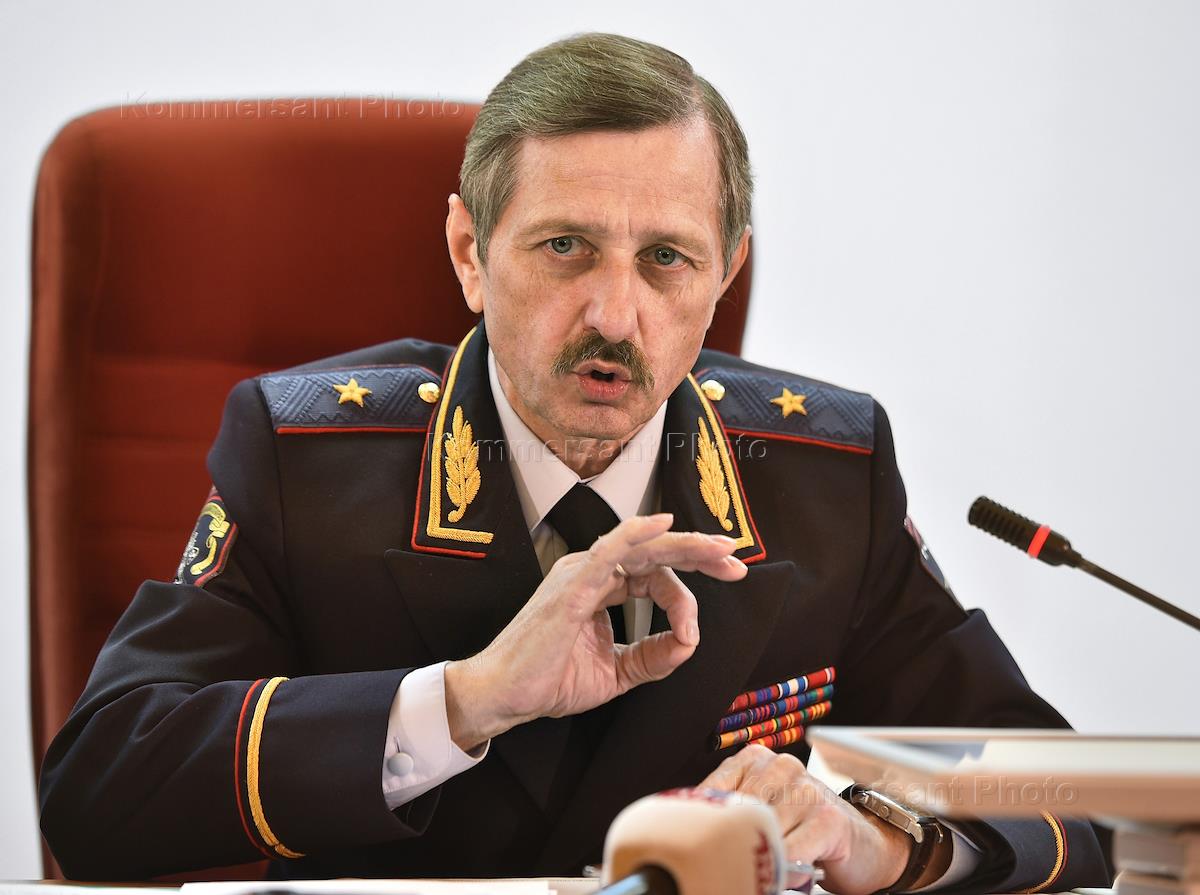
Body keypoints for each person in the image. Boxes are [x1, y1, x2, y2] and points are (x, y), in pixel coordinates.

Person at [39, 32, 1110, 893]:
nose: (614, 314)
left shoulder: (827, 474)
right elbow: (97, 791)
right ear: (470, 253)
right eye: (565, 248)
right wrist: (462, 700)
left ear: (725, 273)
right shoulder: (306, 456)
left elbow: (1072, 800)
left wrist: (880, 843)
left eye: (667, 259)